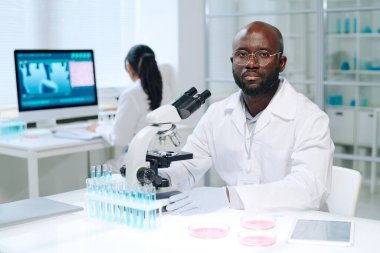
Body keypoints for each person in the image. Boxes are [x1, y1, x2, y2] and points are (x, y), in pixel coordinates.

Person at [161, 21, 335, 215]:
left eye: (263, 55)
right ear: (232, 61)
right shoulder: (217, 114)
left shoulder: (309, 118)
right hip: (240, 224)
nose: (251, 64)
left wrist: (229, 196)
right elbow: (188, 165)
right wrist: (162, 177)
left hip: (296, 225)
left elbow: (309, 190)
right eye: (242, 55)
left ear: (282, 63)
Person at [87, 44, 170, 170]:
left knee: (98, 171)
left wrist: (99, 128)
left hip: (137, 163)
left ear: (129, 67)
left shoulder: (131, 94)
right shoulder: (165, 89)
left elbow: (119, 139)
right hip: (160, 159)